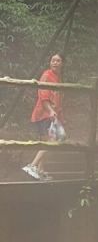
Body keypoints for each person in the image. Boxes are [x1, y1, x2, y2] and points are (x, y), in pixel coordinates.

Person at [22, 53, 64, 181]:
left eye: (58, 61)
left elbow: (58, 98)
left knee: (46, 142)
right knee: (56, 139)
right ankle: (32, 165)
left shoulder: (57, 77)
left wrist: (59, 114)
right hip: (44, 114)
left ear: (62, 63)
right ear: (49, 62)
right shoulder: (47, 75)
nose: (55, 63)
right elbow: (43, 96)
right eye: (53, 60)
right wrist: (51, 111)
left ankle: (40, 170)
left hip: (50, 114)